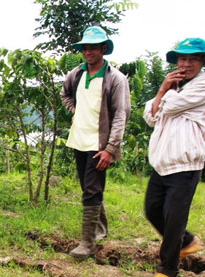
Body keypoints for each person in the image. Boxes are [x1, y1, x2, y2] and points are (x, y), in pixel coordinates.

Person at [143, 38, 205, 277]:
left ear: (202, 62)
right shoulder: (176, 85)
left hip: (186, 163)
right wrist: (164, 92)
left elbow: (169, 107)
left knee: (174, 217)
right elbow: (150, 117)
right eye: (182, 59)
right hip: (162, 162)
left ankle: (168, 268)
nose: (186, 64)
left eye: (193, 59)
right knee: (152, 210)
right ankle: (186, 242)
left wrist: (163, 92)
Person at [60, 26, 131, 258]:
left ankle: (87, 244)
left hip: (99, 144)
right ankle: (100, 228)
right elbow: (65, 95)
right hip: (78, 139)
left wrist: (111, 149)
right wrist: (76, 110)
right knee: (89, 187)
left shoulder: (115, 79)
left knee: (91, 190)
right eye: (85, 47)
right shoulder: (76, 74)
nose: (88, 51)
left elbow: (122, 114)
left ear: (103, 48)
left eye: (93, 47)